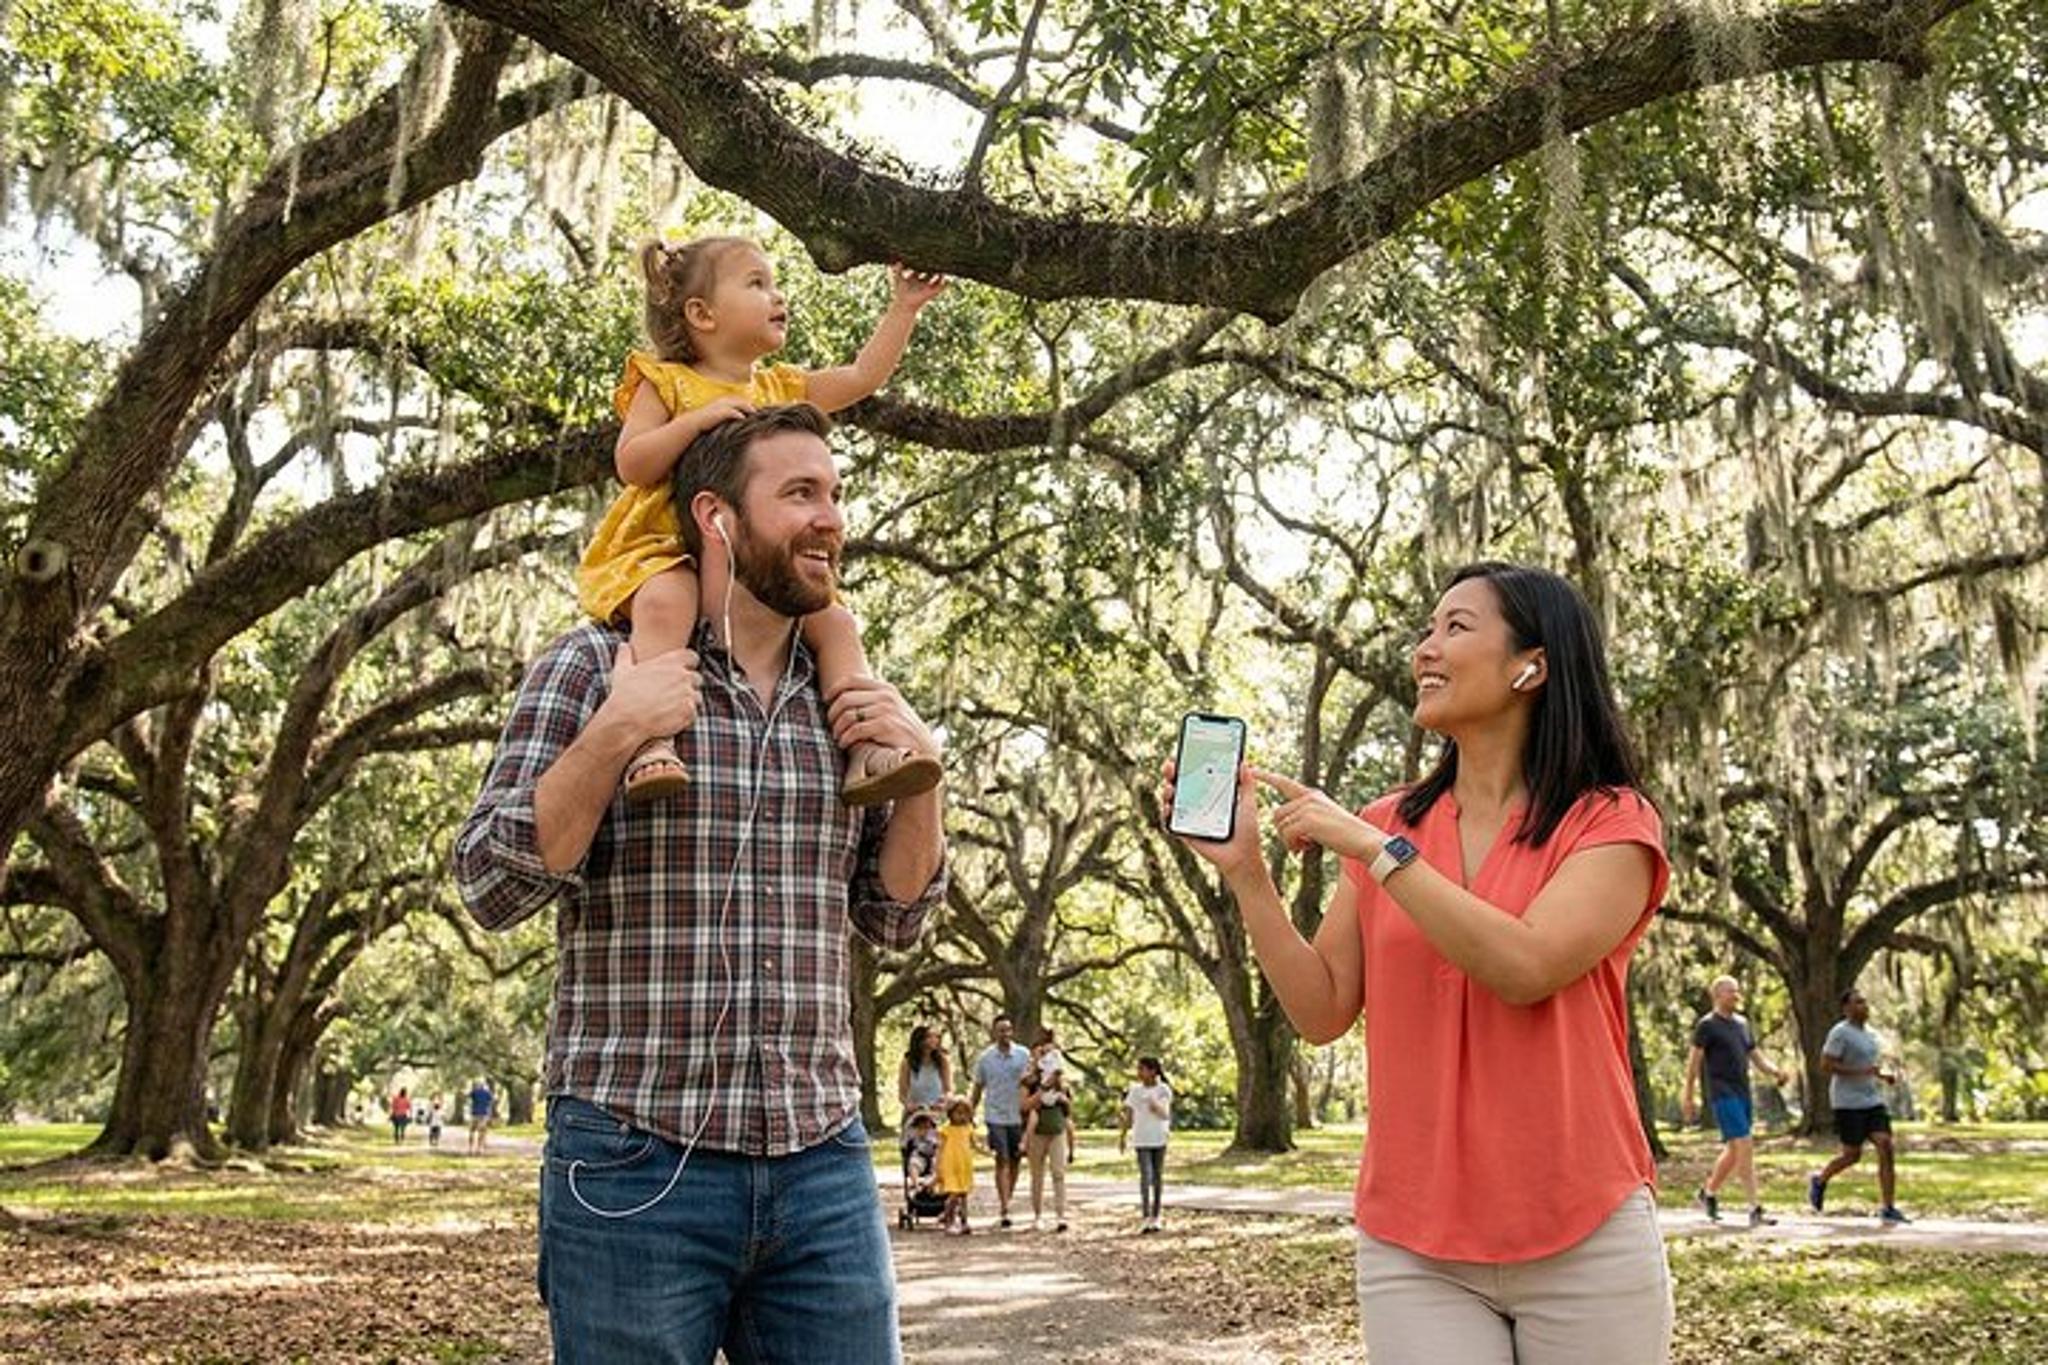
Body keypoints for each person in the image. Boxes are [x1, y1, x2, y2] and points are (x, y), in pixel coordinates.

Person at [455, 403, 947, 1363]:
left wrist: (922, 775)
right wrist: (614, 733)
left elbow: (896, 915)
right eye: (800, 493)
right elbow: (491, 883)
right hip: (635, 1159)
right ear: (717, 516)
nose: (831, 518)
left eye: (836, 493)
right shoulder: (598, 664)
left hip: (821, 1161)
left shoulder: (846, 696)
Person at [1166, 561, 1674, 1363]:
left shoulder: (1611, 823)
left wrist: (1377, 850)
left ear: (1530, 665)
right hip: (1415, 1243)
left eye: (1455, 628)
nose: (1424, 650)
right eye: (1426, 630)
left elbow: (1526, 963)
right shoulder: (1389, 822)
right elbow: (1323, 1008)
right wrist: (1248, 874)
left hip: (1584, 1228)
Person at [586, 235, 946, 806]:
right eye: (757, 283)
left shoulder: (778, 387)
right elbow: (633, 463)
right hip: (665, 547)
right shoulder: (667, 382)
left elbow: (860, 377)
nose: (777, 296)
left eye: (774, 283)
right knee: (665, 603)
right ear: (701, 314)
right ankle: (652, 742)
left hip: (754, 555)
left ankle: (866, 749)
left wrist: (903, 309)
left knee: (838, 626)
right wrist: (696, 421)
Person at [1682, 975, 1791, 1227]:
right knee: (1745, 1145)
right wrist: (1689, 1095)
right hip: (1722, 1093)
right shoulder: (1707, 1025)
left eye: (1738, 991)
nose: (1737, 996)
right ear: (1718, 995)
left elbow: (1755, 1055)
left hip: (1743, 1092)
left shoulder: (1742, 1024)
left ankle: (1708, 1193)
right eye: (1732, 992)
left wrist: (1776, 1072)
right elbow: (1694, 1063)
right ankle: (1755, 1209)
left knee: (1734, 1151)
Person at [1809, 988, 1910, 1224]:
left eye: (1865, 1002)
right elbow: (1825, 1065)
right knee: (1852, 1155)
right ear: (1846, 1008)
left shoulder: (1871, 1035)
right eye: (1857, 1003)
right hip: (1847, 1102)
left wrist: (1883, 1076)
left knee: (1885, 1145)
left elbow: (1870, 1067)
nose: (1863, 1007)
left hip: (1872, 1100)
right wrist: (1859, 1072)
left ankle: (1888, 1207)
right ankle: (1820, 1180)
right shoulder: (1840, 1033)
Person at [968, 1013, 1033, 1229]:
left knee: (1015, 1161)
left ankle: (1008, 1197)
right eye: (1000, 1030)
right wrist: (970, 1112)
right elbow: (978, 1087)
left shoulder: (1023, 1054)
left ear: (1011, 1031)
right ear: (994, 1032)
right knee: (1002, 1160)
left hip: (1018, 1115)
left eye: (1008, 1029)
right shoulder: (986, 1058)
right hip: (995, 1115)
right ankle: (1004, 1207)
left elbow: (1033, 1080)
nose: (1005, 1034)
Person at [1118, 1056, 1173, 1233]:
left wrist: (1153, 1103)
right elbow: (1129, 1114)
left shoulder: (1163, 1089)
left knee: (1157, 1177)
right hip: (1141, 1139)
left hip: (1159, 1138)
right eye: (1138, 1069)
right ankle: (1145, 1216)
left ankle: (1156, 1217)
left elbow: (1165, 1114)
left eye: (1142, 1069)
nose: (1139, 1073)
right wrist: (1123, 1135)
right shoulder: (1135, 1090)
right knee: (1145, 1176)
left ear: (1153, 1071)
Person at [1022, 1065, 1076, 1232]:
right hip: (1037, 1134)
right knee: (1037, 1176)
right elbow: (1025, 1106)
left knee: (1058, 1173)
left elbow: (1068, 1114)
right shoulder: (1031, 1084)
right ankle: (1037, 1216)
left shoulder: (1064, 1087)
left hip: (1057, 1133)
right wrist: (1043, 1089)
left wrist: (1063, 1100)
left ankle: (1061, 1215)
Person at [936, 1096, 982, 1235]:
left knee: (963, 1195)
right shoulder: (946, 1130)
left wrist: (988, 1152)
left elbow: (975, 1145)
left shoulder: (968, 1129)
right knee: (953, 1194)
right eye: (958, 1113)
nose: (961, 1116)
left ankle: (964, 1221)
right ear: (951, 1114)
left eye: (965, 1113)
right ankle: (948, 1220)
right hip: (950, 1165)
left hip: (964, 1165)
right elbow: (940, 1148)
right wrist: (938, 1164)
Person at [896, 1023, 953, 1122]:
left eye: (936, 1036)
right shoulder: (907, 1062)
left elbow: (948, 1090)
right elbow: (902, 1094)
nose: (934, 1040)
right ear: (920, 1040)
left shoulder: (942, 1061)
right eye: (929, 1036)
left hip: (937, 1113)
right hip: (915, 1114)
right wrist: (910, 1105)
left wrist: (944, 1102)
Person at [466, 1079, 493, 1154]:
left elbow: (468, 1097)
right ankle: (479, 1149)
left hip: (474, 1113)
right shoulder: (487, 1093)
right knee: (481, 1132)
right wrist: (489, 1114)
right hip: (483, 1114)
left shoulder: (474, 1092)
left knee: (472, 1131)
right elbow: (490, 1103)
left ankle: (470, 1148)